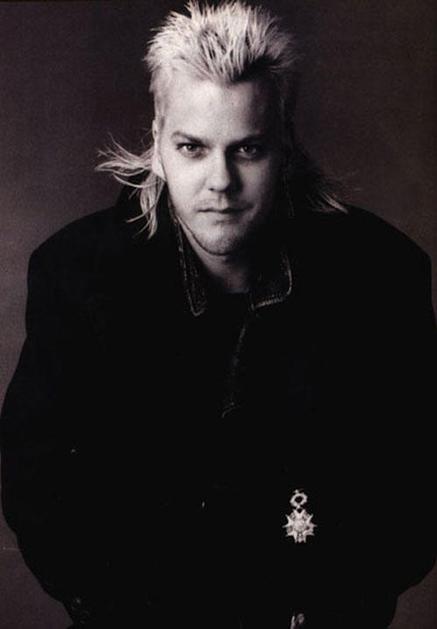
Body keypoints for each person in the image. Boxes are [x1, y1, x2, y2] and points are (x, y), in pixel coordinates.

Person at [1, 2, 435, 627]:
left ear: (284, 145)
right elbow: (36, 487)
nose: (220, 182)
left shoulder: (382, 275)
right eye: (192, 148)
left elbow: (418, 488)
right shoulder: (74, 275)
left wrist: (333, 600)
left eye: (248, 149)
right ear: (158, 142)